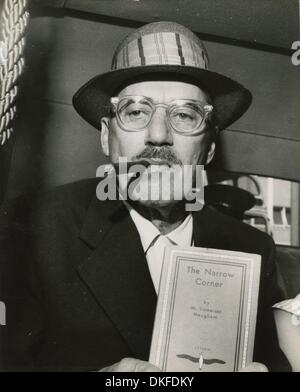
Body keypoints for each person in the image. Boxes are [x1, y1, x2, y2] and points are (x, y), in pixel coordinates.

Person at [0, 21, 290, 372]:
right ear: (107, 137)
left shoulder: (251, 249)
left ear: (209, 148)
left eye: (185, 115)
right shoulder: (33, 229)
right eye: (136, 112)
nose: (158, 136)